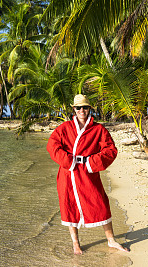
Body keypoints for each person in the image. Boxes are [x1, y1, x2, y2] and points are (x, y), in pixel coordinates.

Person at [47, 94, 129, 255]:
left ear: (89, 109)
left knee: (101, 203)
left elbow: (111, 150)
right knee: (69, 205)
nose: (81, 110)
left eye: (85, 107)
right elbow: (52, 146)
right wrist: (68, 161)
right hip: (68, 173)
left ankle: (111, 240)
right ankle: (75, 243)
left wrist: (92, 163)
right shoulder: (64, 128)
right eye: (78, 107)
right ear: (74, 109)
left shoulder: (98, 129)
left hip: (87, 171)